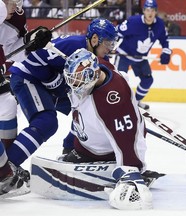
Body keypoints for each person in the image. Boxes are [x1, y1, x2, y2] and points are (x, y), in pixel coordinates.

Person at [0, 18, 118, 197]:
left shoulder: (100, 58)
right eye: (108, 43)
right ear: (94, 39)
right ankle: (7, 169)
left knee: (86, 107)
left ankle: (71, 148)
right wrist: (50, 79)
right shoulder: (72, 45)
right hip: (28, 77)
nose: (111, 48)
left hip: (49, 86)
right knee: (46, 122)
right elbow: (32, 56)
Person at [62, 48, 152, 210]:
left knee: (123, 136)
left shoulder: (113, 101)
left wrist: (131, 170)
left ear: (91, 74)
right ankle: (82, 151)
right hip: (87, 144)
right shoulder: (99, 68)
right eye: (72, 79)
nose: (74, 85)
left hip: (105, 152)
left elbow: (128, 138)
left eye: (77, 79)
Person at [0, 0, 52, 197]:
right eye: (14, 2)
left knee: (7, 103)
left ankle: (5, 167)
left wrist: (30, 42)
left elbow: (13, 49)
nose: (17, 7)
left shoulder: (15, 16)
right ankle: (4, 173)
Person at [114, 0, 171, 110]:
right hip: (124, 55)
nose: (150, 13)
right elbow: (117, 32)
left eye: (152, 10)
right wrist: (112, 46)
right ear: (143, 11)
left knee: (148, 80)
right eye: (147, 10)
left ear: (156, 12)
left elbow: (165, 40)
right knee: (118, 81)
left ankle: (135, 102)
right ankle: (117, 106)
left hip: (140, 58)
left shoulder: (159, 25)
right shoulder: (134, 22)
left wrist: (166, 52)